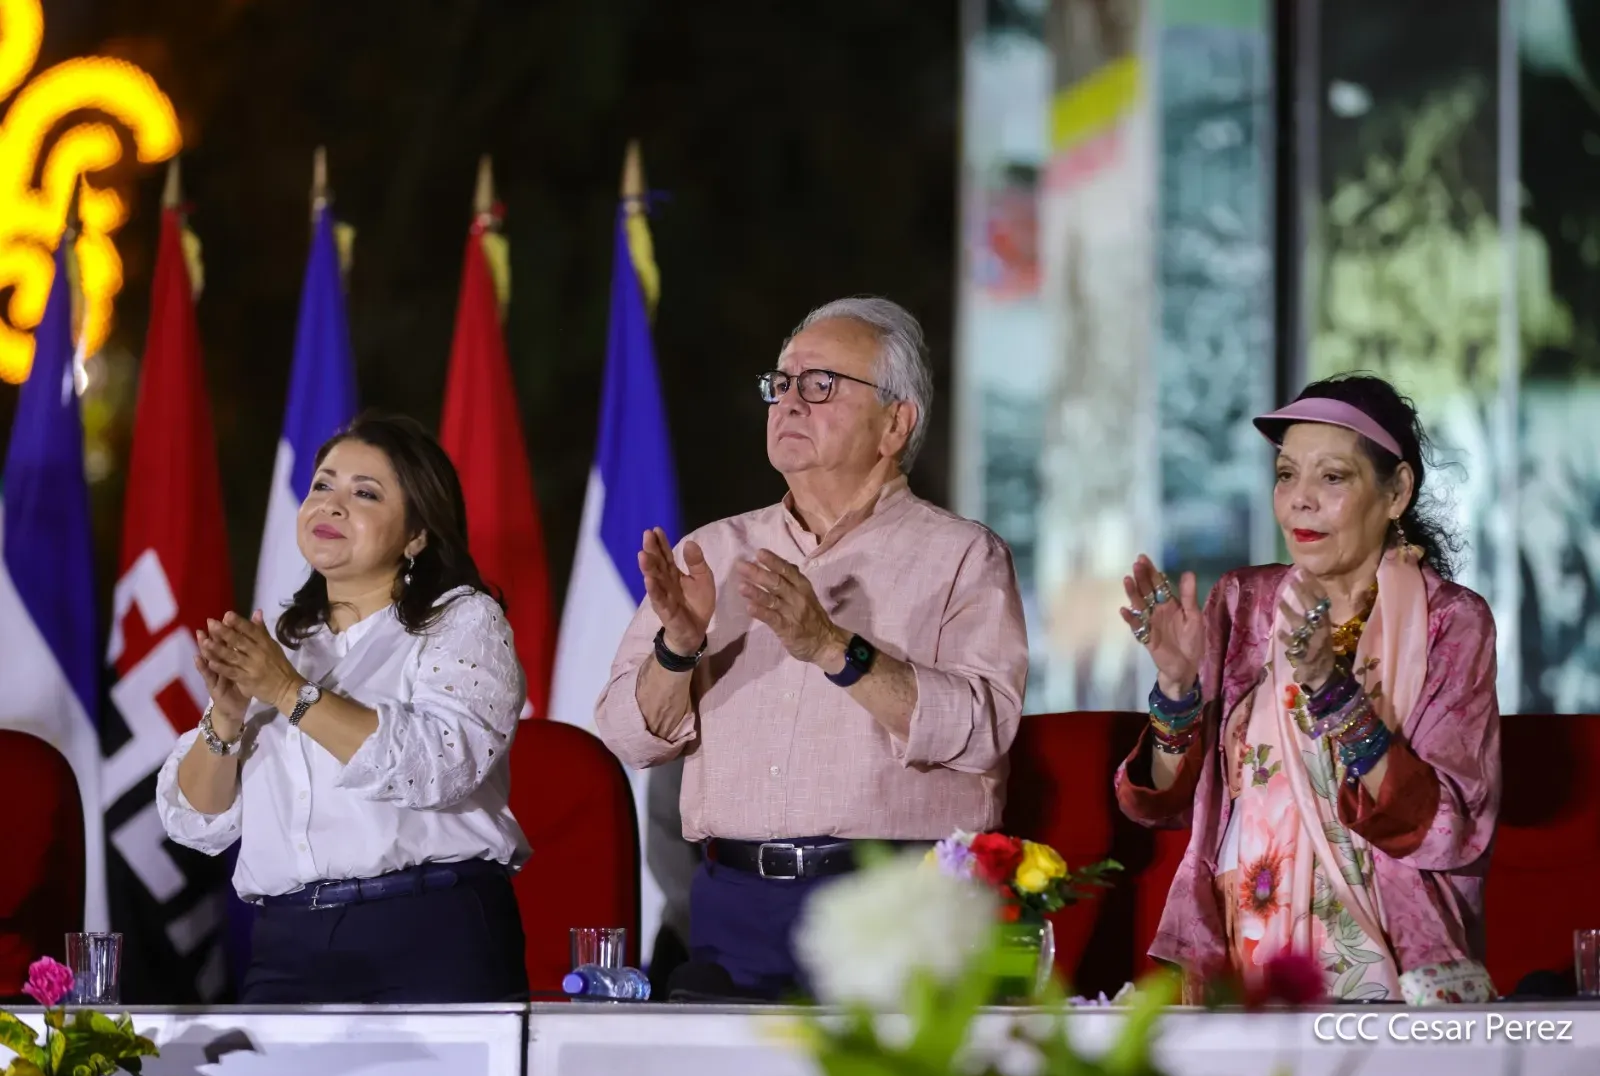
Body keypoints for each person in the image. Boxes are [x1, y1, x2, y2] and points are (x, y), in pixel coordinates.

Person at [595, 296, 1028, 999]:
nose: (789, 400)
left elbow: (983, 729)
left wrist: (831, 646)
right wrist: (677, 646)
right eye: (781, 382)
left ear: (896, 422)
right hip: (733, 911)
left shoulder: (963, 556)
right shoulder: (713, 552)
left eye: (821, 383)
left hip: (896, 909)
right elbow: (624, 734)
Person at [1115, 374, 1500, 1005]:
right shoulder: (1243, 604)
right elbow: (1164, 804)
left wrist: (1334, 692)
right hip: (1250, 943)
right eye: (1287, 475)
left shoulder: (1449, 623)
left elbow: (1450, 827)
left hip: (1385, 959)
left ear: (1397, 490)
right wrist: (1177, 687)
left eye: (1333, 477)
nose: (1300, 500)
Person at [156, 412, 530, 1004]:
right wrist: (226, 718)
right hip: (287, 946)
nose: (330, 505)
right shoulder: (281, 647)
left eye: (364, 494)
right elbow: (194, 822)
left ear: (416, 534)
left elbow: (439, 766)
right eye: (322, 486)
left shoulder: (461, 621)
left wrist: (288, 695)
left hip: (426, 932)